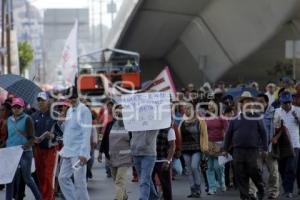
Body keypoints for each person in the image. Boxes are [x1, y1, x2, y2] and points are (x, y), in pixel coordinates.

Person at [223, 92, 267, 200]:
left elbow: (263, 133)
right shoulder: (234, 118)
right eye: (246, 102)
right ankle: (245, 197)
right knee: (240, 174)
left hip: (253, 150)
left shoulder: (257, 117)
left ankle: (261, 188)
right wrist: (225, 149)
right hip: (238, 150)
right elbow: (228, 134)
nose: (248, 104)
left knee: (253, 170)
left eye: (250, 102)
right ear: (241, 104)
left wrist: (265, 148)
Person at [58, 87, 92, 200]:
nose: (72, 100)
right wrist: (61, 122)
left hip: (78, 153)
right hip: (68, 151)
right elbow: (67, 131)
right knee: (62, 178)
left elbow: (87, 133)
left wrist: (84, 153)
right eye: (70, 98)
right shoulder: (69, 110)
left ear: (78, 97)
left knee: (79, 183)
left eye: (74, 97)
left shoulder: (84, 110)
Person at [5, 97, 42, 200]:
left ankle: (39, 197)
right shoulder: (9, 120)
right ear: (11, 108)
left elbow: (31, 138)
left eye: (18, 107)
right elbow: (8, 136)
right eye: (14, 107)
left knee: (27, 179)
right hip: (11, 153)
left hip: (24, 152)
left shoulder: (27, 119)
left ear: (23, 108)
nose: (16, 109)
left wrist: (24, 147)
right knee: (9, 179)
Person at [249, 94, 280, 199]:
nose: (259, 104)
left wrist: (275, 138)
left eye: (261, 101)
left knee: (273, 172)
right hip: (256, 148)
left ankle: (273, 192)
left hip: (270, 147)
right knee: (254, 171)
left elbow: (281, 128)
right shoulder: (252, 114)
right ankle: (252, 192)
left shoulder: (274, 113)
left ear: (267, 102)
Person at [100, 104, 132, 200]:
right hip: (112, 157)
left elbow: (134, 140)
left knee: (119, 180)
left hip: (125, 158)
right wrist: (101, 152)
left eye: (121, 112)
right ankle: (124, 196)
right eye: (117, 112)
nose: (119, 114)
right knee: (116, 180)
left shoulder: (130, 125)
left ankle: (118, 198)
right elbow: (104, 138)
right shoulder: (110, 125)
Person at [31, 92, 59, 200]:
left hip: (51, 150)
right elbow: (30, 133)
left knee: (48, 177)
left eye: (43, 100)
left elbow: (61, 134)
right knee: (40, 176)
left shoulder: (55, 116)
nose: (40, 102)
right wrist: (33, 138)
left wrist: (52, 135)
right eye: (39, 100)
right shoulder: (34, 116)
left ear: (48, 101)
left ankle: (49, 198)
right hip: (38, 150)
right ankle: (43, 197)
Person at [179, 103, 208, 198]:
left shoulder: (200, 121)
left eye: (188, 109)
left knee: (194, 167)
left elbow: (204, 135)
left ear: (193, 110)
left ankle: (198, 188)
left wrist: (205, 148)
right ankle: (193, 190)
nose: (186, 111)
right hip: (185, 148)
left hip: (197, 148)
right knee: (188, 170)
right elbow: (179, 136)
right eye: (185, 109)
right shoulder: (182, 122)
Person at [274, 91, 300, 198]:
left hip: (295, 144)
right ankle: (287, 188)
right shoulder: (276, 112)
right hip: (281, 145)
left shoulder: (298, 110)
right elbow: (273, 126)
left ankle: (288, 190)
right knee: (282, 168)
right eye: (285, 103)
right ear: (281, 102)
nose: (287, 104)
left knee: (291, 167)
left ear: (291, 101)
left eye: (289, 102)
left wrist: (297, 118)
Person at [205, 100, 228, 195]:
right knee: (210, 167)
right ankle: (212, 187)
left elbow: (227, 131)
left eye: (212, 105)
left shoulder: (222, 118)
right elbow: (203, 133)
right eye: (209, 106)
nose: (210, 107)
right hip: (209, 143)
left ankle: (222, 182)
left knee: (218, 166)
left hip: (220, 143)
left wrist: (226, 145)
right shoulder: (205, 118)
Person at [152, 125, 176, 200]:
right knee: (150, 183)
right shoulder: (152, 128)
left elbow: (172, 146)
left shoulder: (169, 130)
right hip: (151, 159)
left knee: (165, 185)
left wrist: (168, 161)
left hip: (163, 160)